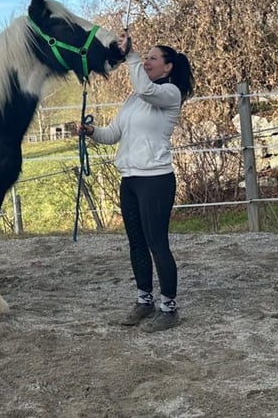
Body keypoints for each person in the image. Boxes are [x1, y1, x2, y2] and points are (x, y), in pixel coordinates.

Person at [81, 30, 194, 332]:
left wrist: (130, 55)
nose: (147, 61)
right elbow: (113, 134)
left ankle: (168, 308)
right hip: (130, 179)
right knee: (136, 244)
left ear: (168, 67)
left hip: (155, 180)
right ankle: (144, 300)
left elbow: (146, 90)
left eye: (152, 58)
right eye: (145, 57)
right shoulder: (134, 99)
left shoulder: (170, 94)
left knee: (158, 243)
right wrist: (92, 133)